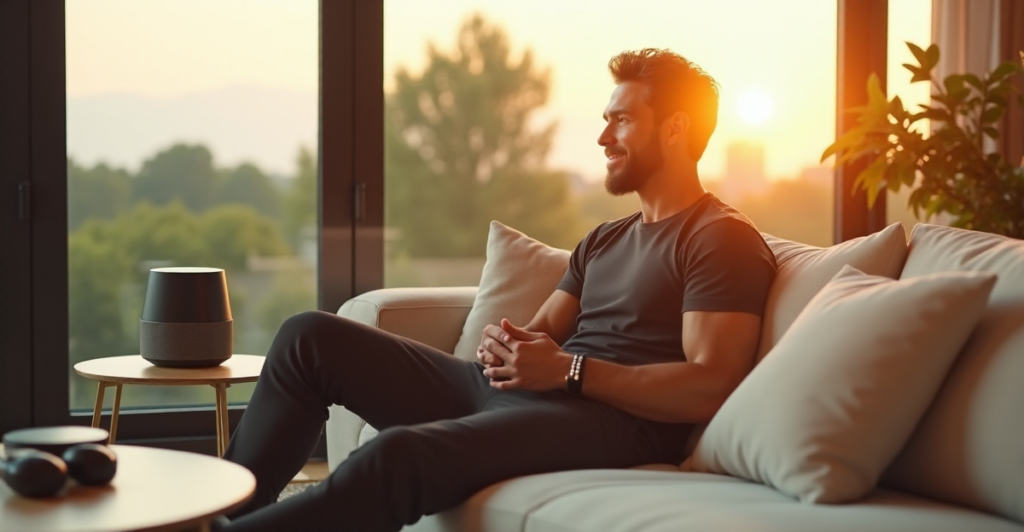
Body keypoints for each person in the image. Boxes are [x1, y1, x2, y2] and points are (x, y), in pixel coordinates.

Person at [218, 48, 777, 532]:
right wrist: (506, 346)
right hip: (512, 394)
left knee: (399, 454)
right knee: (307, 337)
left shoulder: (719, 238)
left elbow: (710, 385)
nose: (604, 136)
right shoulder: (605, 239)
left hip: (603, 423)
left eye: (623, 120)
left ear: (676, 128)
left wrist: (567, 372)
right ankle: (224, 513)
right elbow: (541, 332)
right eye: (605, 120)